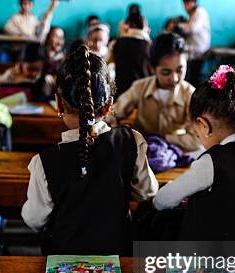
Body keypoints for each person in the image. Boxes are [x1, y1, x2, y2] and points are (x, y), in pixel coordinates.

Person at [21, 45, 158, 255]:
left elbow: (35, 219)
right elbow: (147, 192)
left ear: (58, 103)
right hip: (119, 253)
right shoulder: (132, 141)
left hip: (64, 257)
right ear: (108, 105)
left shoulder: (44, 162)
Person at [154, 65, 235, 241]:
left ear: (204, 125)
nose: (200, 139)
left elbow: (162, 200)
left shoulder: (213, 161)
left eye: (197, 134)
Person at [112, 33, 200, 154]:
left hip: (171, 152)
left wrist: (164, 140)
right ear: (152, 69)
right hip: (139, 149)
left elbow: (196, 139)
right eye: (165, 72)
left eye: (180, 70)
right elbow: (114, 112)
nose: (174, 78)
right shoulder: (140, 87)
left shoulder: (190, 95)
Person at [108, 12, 151, 97]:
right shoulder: (149, 45)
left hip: (122, 93)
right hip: (143, 93)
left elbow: (106, 64)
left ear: (129, 25)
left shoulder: (116, 43)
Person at [177, 0, 211, 86]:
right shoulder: (191, 14)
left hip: (199, 49)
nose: (185, 6)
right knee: (191, 75)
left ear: (194, 2)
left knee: (194, 77)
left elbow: (193, 28)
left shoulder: (200, 12)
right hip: (192, 49)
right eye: (184, 3)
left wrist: (178, 25)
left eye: (188, 3)